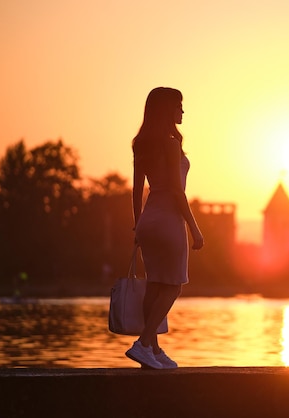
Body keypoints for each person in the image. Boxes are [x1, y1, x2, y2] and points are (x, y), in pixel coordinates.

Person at [125, 87, 204, 369]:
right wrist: (194, 228)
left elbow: (136, 191)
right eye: (179, 105)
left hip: (148, 220)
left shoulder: (141, 144)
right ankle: (144, 343)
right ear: (167, 109)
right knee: (173, 287)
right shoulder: (170, 144)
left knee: (155, 286)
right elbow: (176, 191)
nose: (182, 111)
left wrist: (137, 226)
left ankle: (154, 352)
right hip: (169, 221)